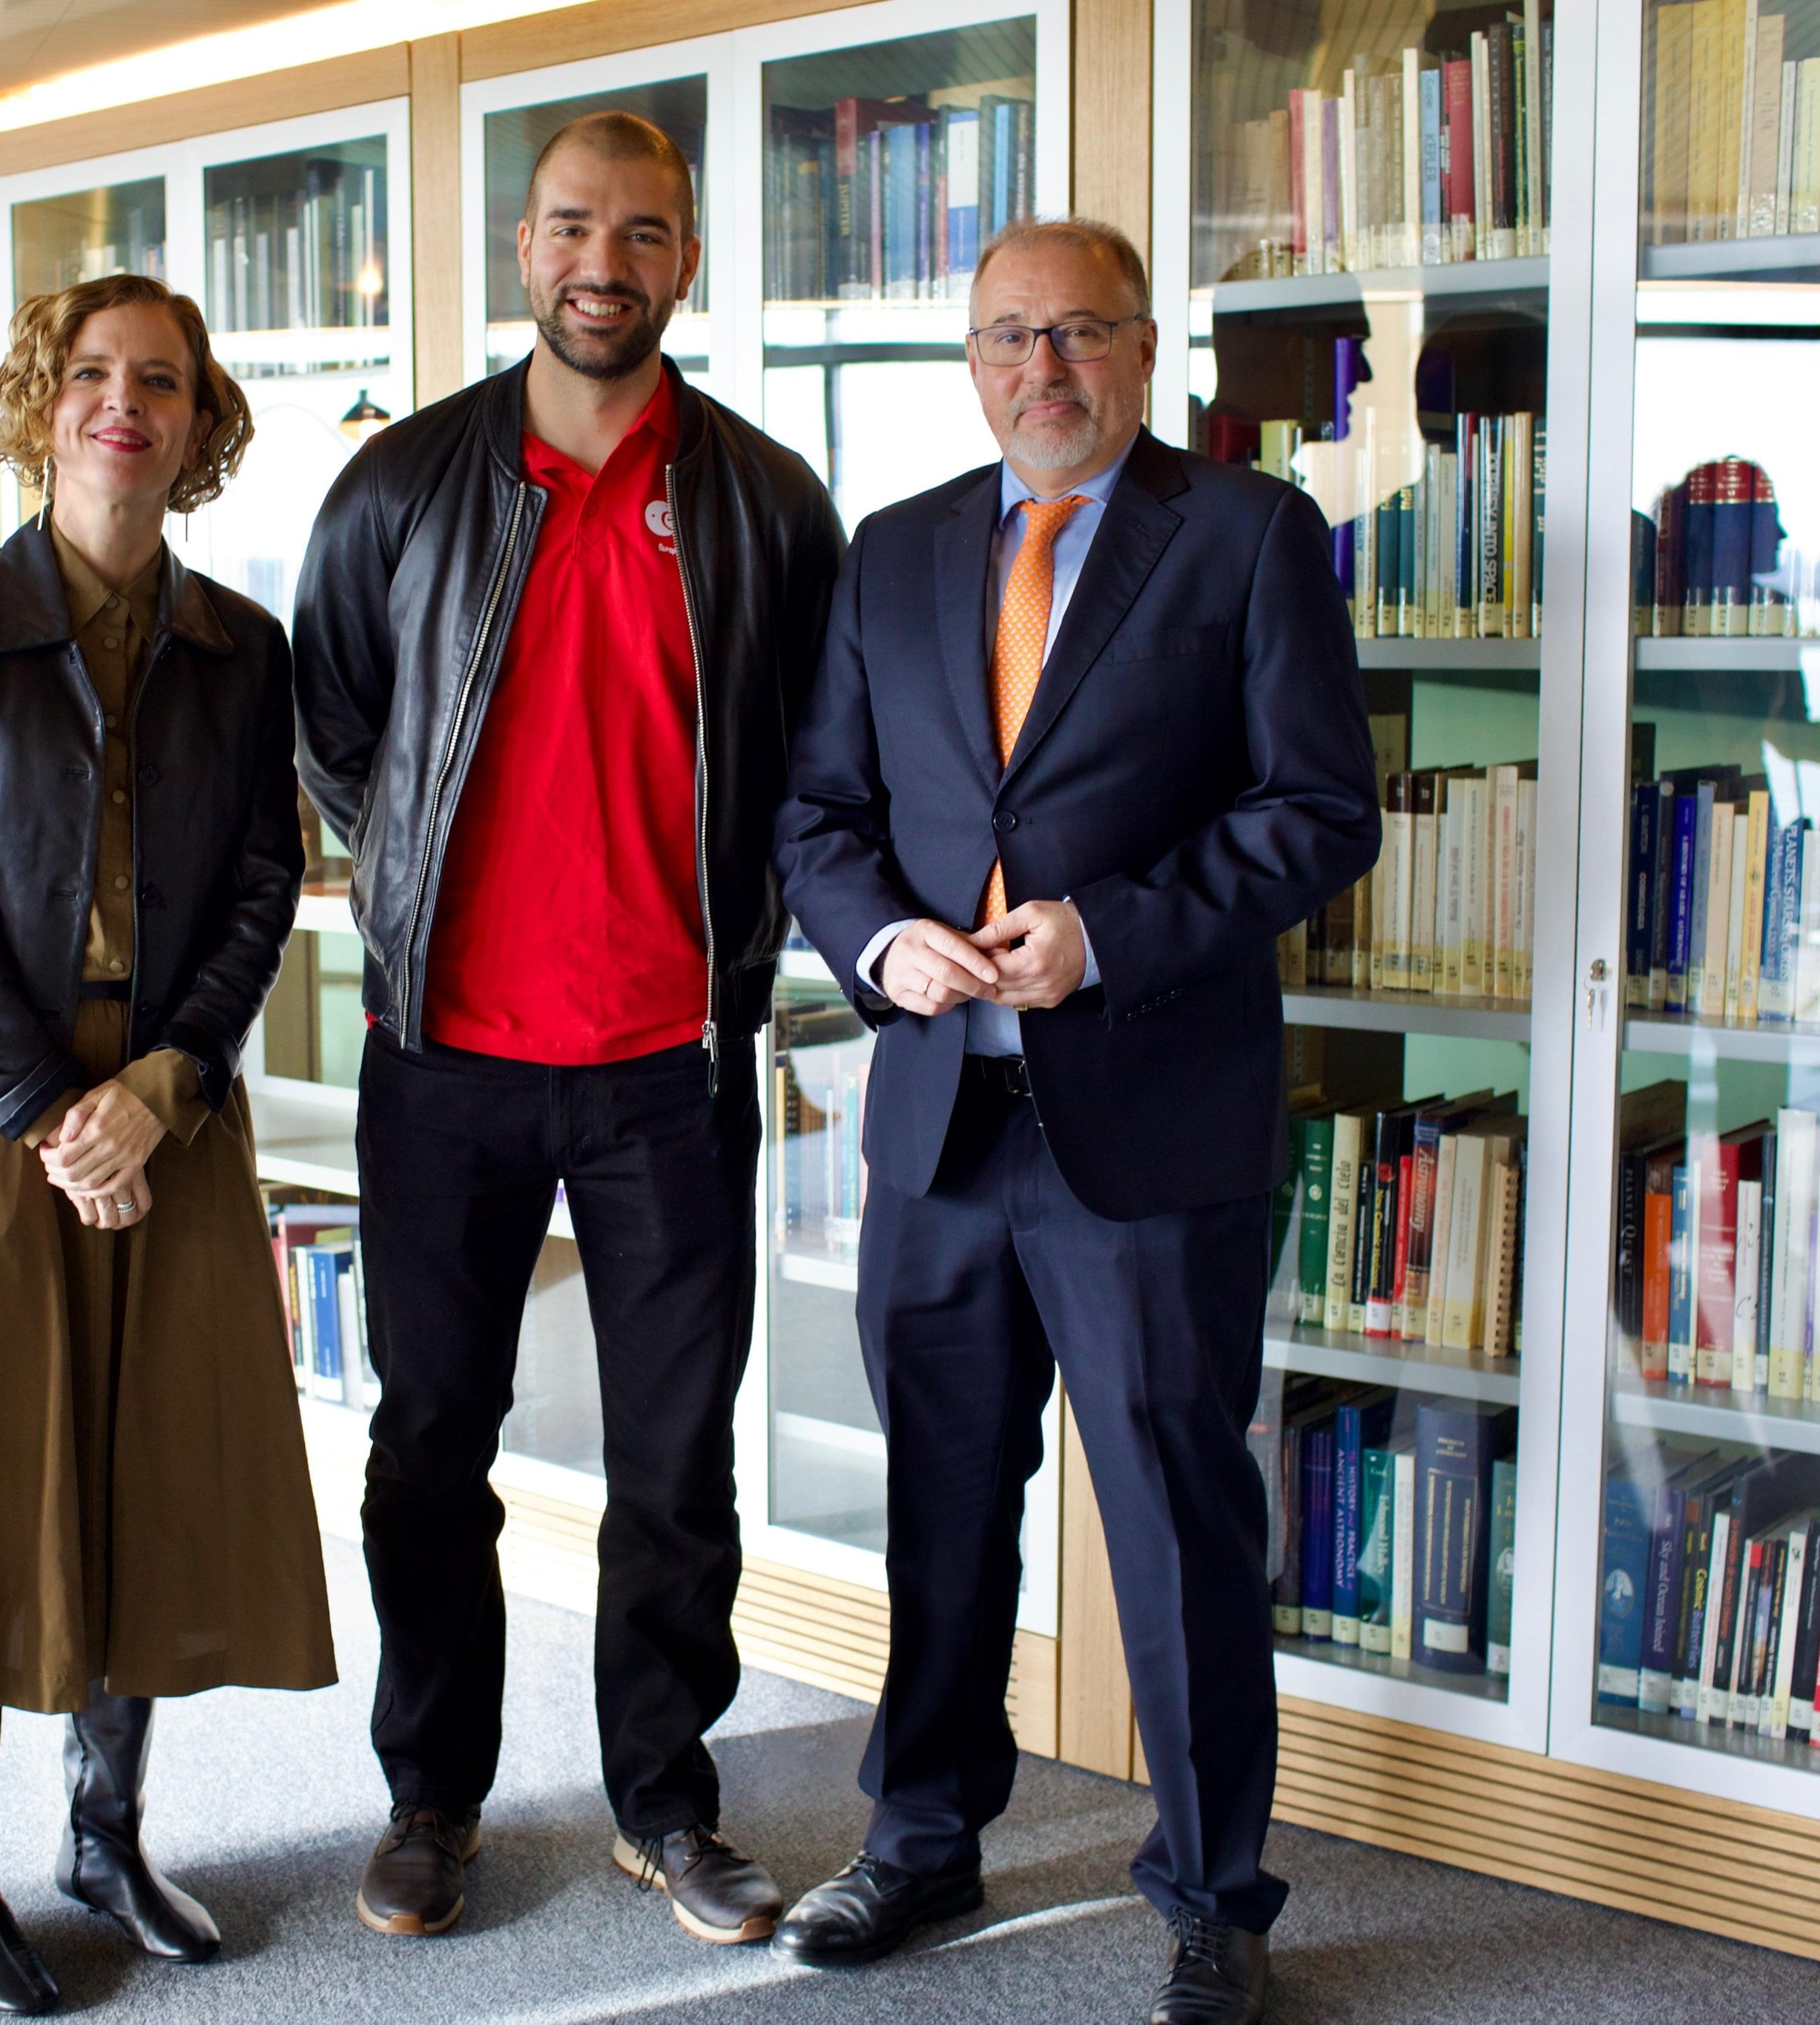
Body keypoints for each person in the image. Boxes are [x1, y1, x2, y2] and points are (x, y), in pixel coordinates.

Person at [772, 217, 1379, 2025]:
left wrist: (1104, 934)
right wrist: (886, 941)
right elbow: (816, 814)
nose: (1043, 370)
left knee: (1177, 1518)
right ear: (970, 362)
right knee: (941, 1503)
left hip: (1147, 1125)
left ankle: (1211, 1894)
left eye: (1081, 334)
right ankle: (921, 1831)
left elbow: (1315, 810)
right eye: (1007, 338)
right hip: (938, 1126)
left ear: (1143, 348)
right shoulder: (893, 554)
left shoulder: (1248, 535)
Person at [293, 111, 845, 1946]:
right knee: (427, 1439)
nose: (601, 262)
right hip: (443, 1058)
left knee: (675, 1459)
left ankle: (663, 1803)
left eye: (641, 231)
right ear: (521, 249)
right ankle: (430, 1797)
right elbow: (333, 727)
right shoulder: (405, 484)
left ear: (688, 260)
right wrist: (411, 898)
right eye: (569, 227)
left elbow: (800, 775)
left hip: (665, 1066)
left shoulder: (767, 502)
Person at [0, 271, 337, 2017]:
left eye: (161, 382)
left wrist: (165, 1090)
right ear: (45, 403)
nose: (127, 404)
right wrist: (53, 1116)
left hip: (166, 1118)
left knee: (147, 1479)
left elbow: (267, 884)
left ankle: (106, 1839)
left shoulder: (241, 649)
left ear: (197, 425)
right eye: (94, 375)